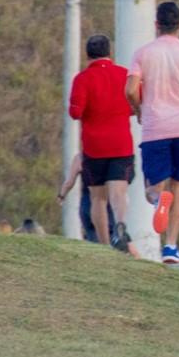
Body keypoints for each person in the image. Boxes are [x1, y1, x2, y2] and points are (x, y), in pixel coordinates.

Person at [126, 1, 179, 265]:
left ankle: (156, 201)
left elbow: (130, 90)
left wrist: (138, 109)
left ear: (156, 25)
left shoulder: (143, 53)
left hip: (156, 127)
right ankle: (171, 247)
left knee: (152, 187)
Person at [68, 34, 135, 253]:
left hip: (94, 147)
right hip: (121, 143)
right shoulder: (125, 75)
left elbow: (75, 113)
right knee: (119, 191)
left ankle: (105, 245)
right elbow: (135, 102)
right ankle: (121, 224)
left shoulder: (82, 79)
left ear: (88, 55)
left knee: (98, 197)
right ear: (110, 52)